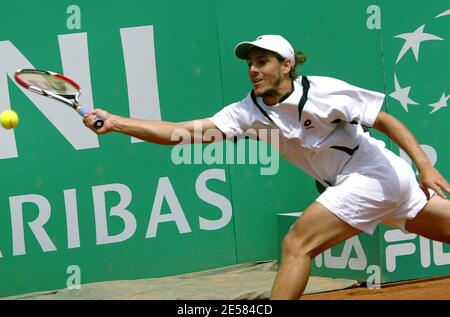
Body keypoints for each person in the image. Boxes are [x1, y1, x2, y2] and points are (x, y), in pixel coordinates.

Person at [83, 35, 450, 300]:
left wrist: (425, 167)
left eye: (263, 62)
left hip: (374, 173)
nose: (254, 70)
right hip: (375, 183)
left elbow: (385, 121)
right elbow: (182, 133)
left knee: (296, 245)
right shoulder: (245, 112)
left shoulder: (324, 91)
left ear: (286, 65)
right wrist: (118, 123)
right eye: (250, 64)